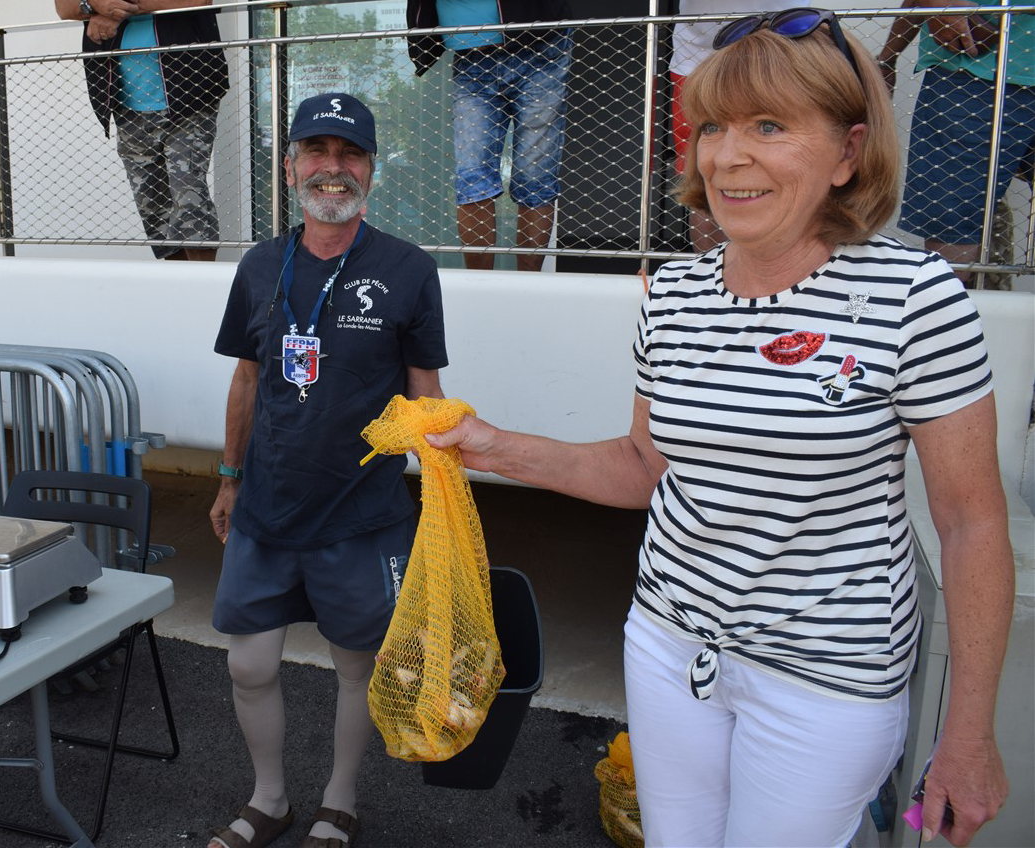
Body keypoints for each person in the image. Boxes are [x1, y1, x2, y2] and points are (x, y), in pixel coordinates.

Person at [426, 9, 1013, 846]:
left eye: (769, 127)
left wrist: (965, 735)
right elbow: (642, 466)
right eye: (713, 127)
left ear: (848, 152)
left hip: (827, 679)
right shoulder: (672, 294)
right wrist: (495, 446)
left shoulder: (913, 298)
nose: (727, 157)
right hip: (669, 648)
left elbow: (970, 521)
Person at [207, 92, 448, 848]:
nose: (332, 169)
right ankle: (269, 799)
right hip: (265, 509)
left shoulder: (408, 270)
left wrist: (444, 493)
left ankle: (337, 802)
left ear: (372, 169)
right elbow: (246, 381)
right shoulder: (257, 265)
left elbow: (426, 397)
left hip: (361, 512)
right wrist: (227, 475)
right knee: (248, 665)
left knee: (357, 669)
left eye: (349, 155)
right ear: (289, 168)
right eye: (316, 152)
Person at [56, 0, 230, 261]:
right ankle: (178, 289)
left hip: (189, 95)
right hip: (127, 102)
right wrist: (94, 5)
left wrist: (114, 10)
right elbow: (63, 7)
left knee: (188, 193)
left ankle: (201, 286)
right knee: (152, 204)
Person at [405, 0, 572, 271]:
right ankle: (479, 285)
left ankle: (530, 290)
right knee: (472, 178)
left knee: (534, 178)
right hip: (470, 53)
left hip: (540, 44)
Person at [877, 0, 1034, 287]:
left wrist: (889, 55)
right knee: (953, 230)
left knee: (957, 227)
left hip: (973, 65)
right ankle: (950, 317)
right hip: (967, 69)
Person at [669, 1, 810, 253]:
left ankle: (779, 269)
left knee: (786, 168)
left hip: (783, 53)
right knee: (703, 178)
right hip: (697, 58)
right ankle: (709, 273)